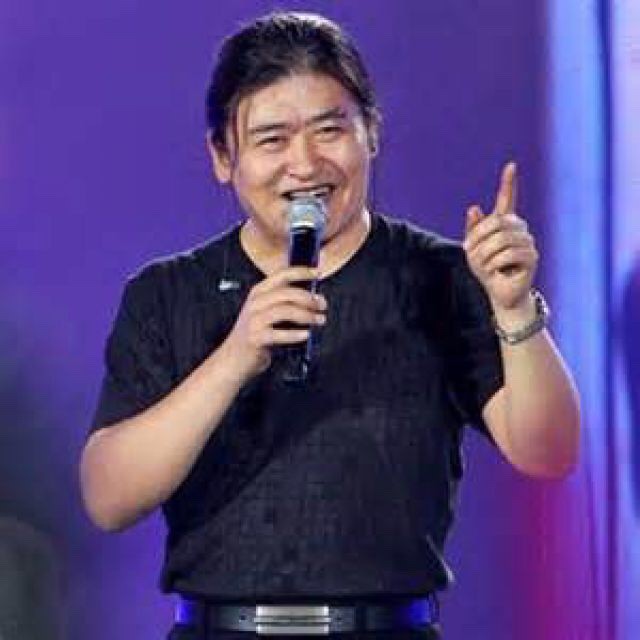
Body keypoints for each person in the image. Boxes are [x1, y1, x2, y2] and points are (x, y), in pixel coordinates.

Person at [80, 11, 580, 639]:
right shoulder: (167, 295)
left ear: (372, 133)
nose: (305, 163)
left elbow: (549, 452)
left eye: (330, 130)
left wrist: (513, 308)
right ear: (222, 156)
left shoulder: (440, 277)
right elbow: (108, 498)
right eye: (272, 140)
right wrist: (233, 358)